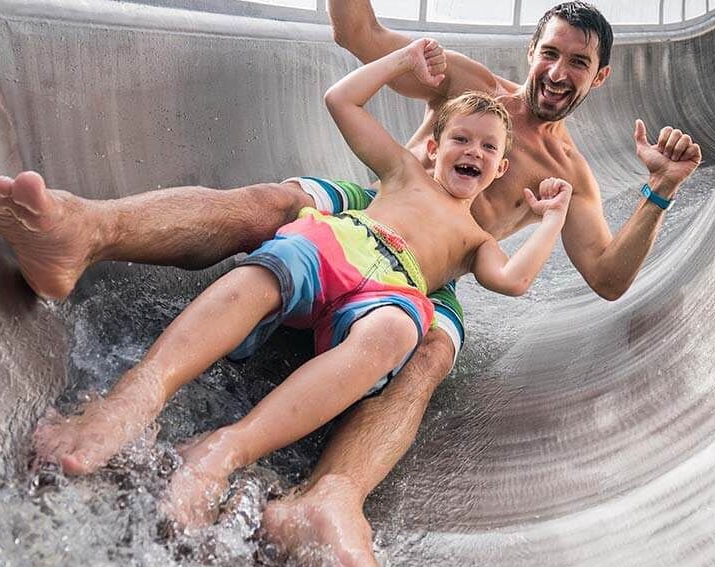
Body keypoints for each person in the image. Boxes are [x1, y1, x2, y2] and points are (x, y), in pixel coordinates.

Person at [0, 0, 704, 567]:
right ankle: (85, 231)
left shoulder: (571, 174)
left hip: (432, 273)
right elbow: (355, 34)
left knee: (425, 354)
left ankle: (330, 499)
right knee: (272, 203)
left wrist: (658, 190)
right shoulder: (466, 87)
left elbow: (609, 275)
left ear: (601, 78)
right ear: (531, 50)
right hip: (374, 202)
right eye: (550, 52)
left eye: (578, 63)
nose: (558, 71)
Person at [29, 38, 571, 529]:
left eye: (487, 149)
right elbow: (342, 101)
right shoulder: (404, 172)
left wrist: (550, 221)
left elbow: (514, 280)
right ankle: (138, 396)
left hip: (396, 287)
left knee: (394, 336)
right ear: (434, 146)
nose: (473, 152)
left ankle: (225, 450)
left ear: (501, 170)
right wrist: (397, 63)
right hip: (346, 239)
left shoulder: (476, 239)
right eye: (461, 139)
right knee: (280, 263)